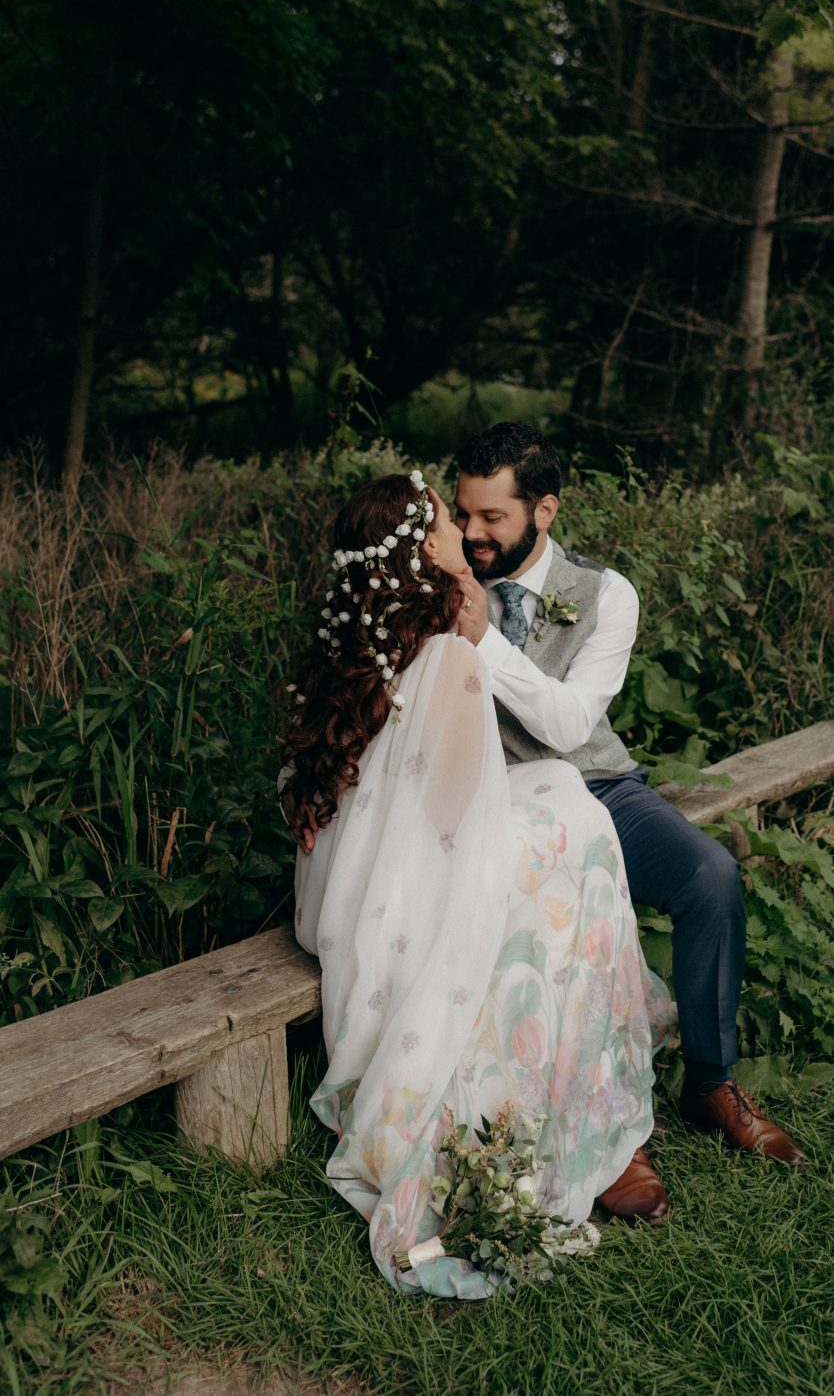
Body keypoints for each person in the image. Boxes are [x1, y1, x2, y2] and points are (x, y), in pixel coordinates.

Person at [279, 471, 675, 1299]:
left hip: (343, 888)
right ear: (429, 550)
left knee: (567, 797)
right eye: (448, 521)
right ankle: (596, 1110)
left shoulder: (359, 642)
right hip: (417, 883)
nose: (465, 529)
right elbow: (457, 819)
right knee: (580, 846)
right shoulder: (452, 657)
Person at [452, 422, 806, 1173]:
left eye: (492, 518)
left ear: (544, 512)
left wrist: (484, 639)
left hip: (598, 785)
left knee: (710, 876)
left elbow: (572, 722)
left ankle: (709, 1083)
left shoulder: (606, 593)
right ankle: (602, 1122)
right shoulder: (444, 583)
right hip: (495, 805)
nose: (472, 534)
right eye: (463, 514)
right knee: (561, 927)